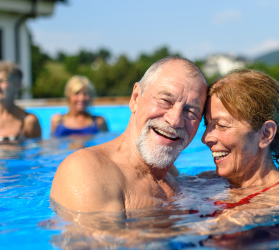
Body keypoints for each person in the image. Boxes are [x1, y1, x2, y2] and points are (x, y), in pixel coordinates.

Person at [50, 56, 208, 212]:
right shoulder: (86, 170)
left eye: (190, 111)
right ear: (135, 98)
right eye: (165, 101)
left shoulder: (171, 174)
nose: (175, 121)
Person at [201, 69, 279, 209]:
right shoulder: (206, 180)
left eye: (222, 125)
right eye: (207, 125)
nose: (205, 138)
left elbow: (226, 225)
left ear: (265, 134)